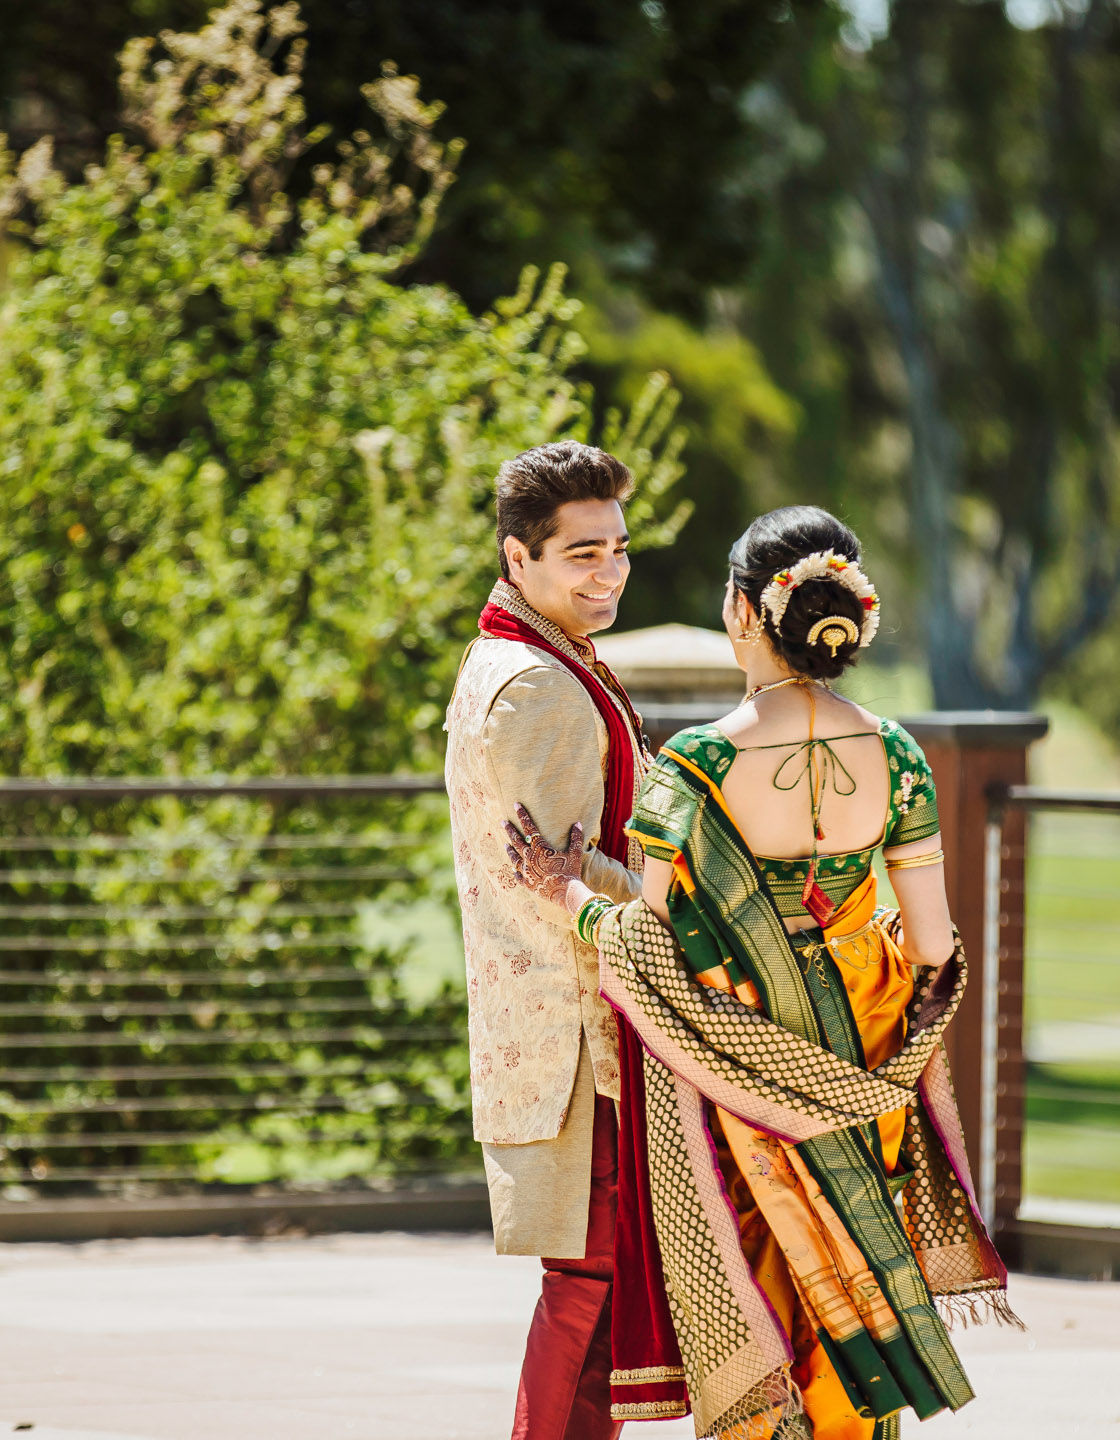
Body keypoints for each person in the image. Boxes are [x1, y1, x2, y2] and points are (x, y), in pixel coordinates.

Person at [506, 506, 1014, 1440]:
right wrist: (873, 1035)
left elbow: (656, 957)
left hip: (741, 1068)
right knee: (855, 1273)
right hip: (866, 1049)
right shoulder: (898, 755)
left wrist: (570, 895)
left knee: (764, 1279)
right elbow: (938, 954)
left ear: (744, 612)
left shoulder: (695, 767)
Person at [443, 440, 648, 1440]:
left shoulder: (529, 656)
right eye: (581, 554)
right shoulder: (537, 688)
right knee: (593, 1288)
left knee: (593, 1287)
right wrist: (679, 914)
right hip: (582, 1039)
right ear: (519, 558)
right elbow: (558, 886)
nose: (607, 573)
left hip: (570, 1031)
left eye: (617, 548)